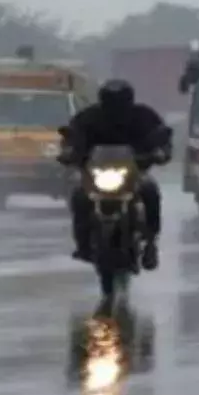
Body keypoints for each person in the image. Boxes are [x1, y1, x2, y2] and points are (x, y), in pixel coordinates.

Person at [59, 79, 172, 270]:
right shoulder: (89, 117)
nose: (115, 107)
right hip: (96, 175)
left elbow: (160, 135)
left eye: (119, 101)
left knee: (150, 191)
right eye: (111, 101)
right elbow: (73, 135)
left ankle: (151, 243)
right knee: (79, 196)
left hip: (134, 174)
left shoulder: (143, 116)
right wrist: (70, 151)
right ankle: (83, 245)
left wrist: (160, 151)